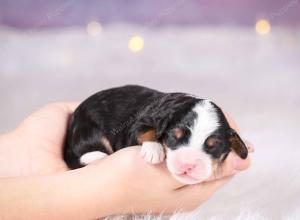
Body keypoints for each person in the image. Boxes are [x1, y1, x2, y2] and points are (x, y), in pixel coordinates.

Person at [0, 102, 253, 220]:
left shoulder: (182, 116)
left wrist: (24, 146)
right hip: (93, 124)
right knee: (95, 137)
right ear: (164, 127)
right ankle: (83, 155)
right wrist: (105, 190)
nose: (187, 162)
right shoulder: (158, 119)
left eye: (212, 148)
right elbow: (143, 126)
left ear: (231, 142)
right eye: (176, 140)